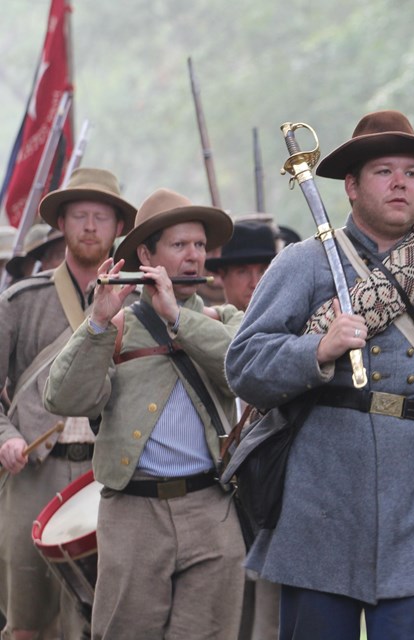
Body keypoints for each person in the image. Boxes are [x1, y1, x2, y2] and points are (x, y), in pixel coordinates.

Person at [225, 109, 414, 640]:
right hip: (319, 505)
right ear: (351, 186)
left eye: (412, 173)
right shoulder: (302, 264)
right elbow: (244, 366)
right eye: (384, 171)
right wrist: (317, 349)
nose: (401, 182)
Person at [44, 187, 246, 639]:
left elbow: (244, 372)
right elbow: (62, 398)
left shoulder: (223, 318)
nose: (194, 256)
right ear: (145, 254)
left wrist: (178, 318)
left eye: (199, 245)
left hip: (210, 508)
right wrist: (96, 326)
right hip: (134, 513)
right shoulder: (115, 326)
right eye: (179, 245)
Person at [0, 167, 136, 640]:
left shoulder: (136, 303)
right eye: (80, 215)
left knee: (98, 618)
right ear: (62, 223)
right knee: (27, 620)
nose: (91, 226)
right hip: (35, 471)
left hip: (106, 475)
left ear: (119, 227)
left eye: (102, 216)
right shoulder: (21, 302)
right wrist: (7, 437)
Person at [207, 219, 280, 640]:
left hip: (272, 505)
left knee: (270, 627)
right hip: (218, 510)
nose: (254, 282)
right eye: (242, 272)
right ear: (223, 278)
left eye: (263, 270)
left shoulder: (297, 331)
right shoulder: (204, 333)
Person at [206, 220, 278, 312]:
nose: (255, 284)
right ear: (223, 274)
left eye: (263, 271)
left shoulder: (292, 324)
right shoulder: (207, 325)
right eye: (242, 271)